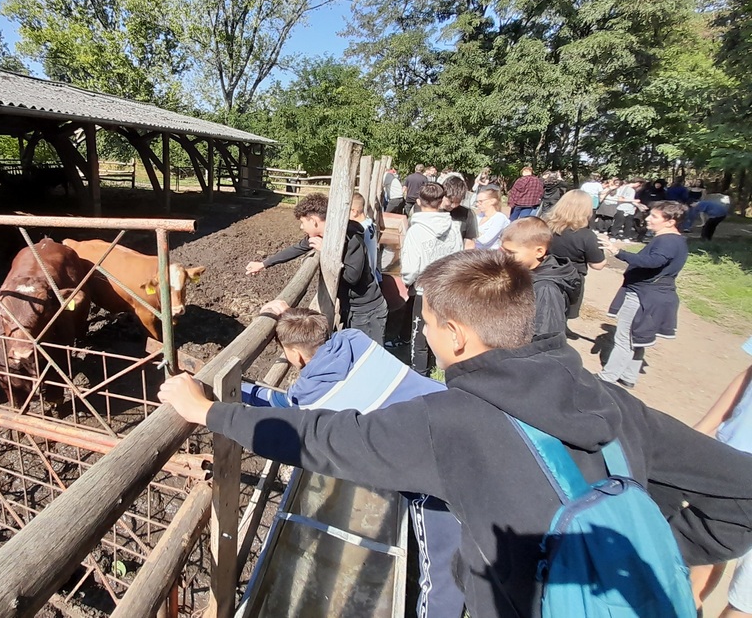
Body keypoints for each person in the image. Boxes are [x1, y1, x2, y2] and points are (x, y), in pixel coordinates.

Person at [159, 249, 752, 618]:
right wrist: (649, 549)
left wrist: (210, 411)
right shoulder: (611, 400)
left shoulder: (450, 421)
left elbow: (320, 438)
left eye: (430, 325)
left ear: (457, 336)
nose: (429, 338)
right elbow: (741, 498)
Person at [241, 300, 465, 618]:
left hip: (432, 465)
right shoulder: (356, 341)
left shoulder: (312, 396)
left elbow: (286, 406)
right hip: (452, 410)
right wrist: (293, 316)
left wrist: (243, 391)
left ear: (295, 355)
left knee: (440, 573)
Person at [245, 193, 387, 344]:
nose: (301, 227)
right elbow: (296, 249)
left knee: (366, 356)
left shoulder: (351, 238)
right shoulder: (322, 236)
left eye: (302, 222)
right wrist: (264, 264)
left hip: (367, 311)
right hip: (351, 308)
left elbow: (352, 277)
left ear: (313, 221)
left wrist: (325, 251)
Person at [690, 336, 752, 618]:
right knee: (702, 558)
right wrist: (702, 429)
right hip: (733, 462)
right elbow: (749, 373)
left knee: (745, 600)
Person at [597, 200, 688, 389]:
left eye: (654, 216)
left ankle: (607, 378)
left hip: (644, 296)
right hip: (654, 295)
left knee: (624, 339)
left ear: (670, 221)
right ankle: (629, 376)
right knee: (636, 338)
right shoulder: (675, 240)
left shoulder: (667, 241)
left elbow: (653, 261)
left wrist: (617, 252)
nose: (648, 219)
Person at [400, 182, 463, 376]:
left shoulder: (416, 231)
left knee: (420, 334)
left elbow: (411, 267)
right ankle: (442, 364)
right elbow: (458, 255)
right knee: (443, 328)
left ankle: (420, 372)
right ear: (441, 200)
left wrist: (408, 280)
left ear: (419, 201)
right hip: (446, 286)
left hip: (424, 290)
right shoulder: (453, 227)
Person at [500, 217, 580, 337]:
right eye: (503, 251)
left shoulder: (546, 289)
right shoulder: (524, 271)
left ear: (539, 252)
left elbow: (546, 335)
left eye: (510, 253)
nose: (504, 257)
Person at [545, 190, 607, 319]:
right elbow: (598, 265)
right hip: (570, 279)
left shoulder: (545, 226)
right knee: (562, 315)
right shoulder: (587, 236)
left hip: (545, 273)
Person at [349, 192, 381, 284]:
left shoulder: (360, 231)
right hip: (373, 277)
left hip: (366, 281)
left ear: (354, 212)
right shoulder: (369, 223)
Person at [440, 176, 478, 250]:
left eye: (457, 202)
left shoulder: (467, 214)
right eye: (450, 201)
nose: (453, 206)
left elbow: (469, 242)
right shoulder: (431, 212)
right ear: (443, 195)